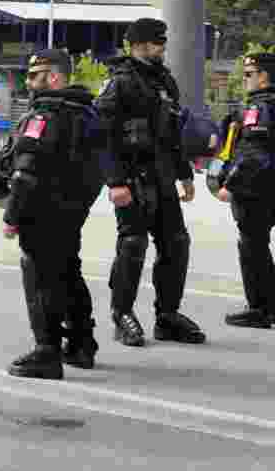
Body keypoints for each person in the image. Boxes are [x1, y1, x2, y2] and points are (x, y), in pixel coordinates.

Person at [95, 17, 205, 347]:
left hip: (163, 178)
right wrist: (115, 181)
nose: (163, 48)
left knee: (176, 243)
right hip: (132, 177)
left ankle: (167, 315)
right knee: (133, 245)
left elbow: (172, 135)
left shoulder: (163, 81)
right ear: (141, 44)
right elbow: (102, 136)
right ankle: (122, 314)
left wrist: (184, 173)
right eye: (158, 42)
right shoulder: (120, 83)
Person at [2, 50, 104, 378]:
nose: (29, 83)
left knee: (39, 274)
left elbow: (25, 171)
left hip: (42, 207)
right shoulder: (86, 112)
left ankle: (46, 350)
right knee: (68, 271)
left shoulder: (44, 115)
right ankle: (81, 343)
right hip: (74, 208)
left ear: (55, 78)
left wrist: (11, 215)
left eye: (35, 76)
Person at [212, 53, 275, 329]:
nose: (245, 79)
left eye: (249, 74)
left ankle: (260, 308)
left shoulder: (259, 108)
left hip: (257, 189)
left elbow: (253, 154)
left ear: (264, 76)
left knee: (252, 247)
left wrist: (230, 185)